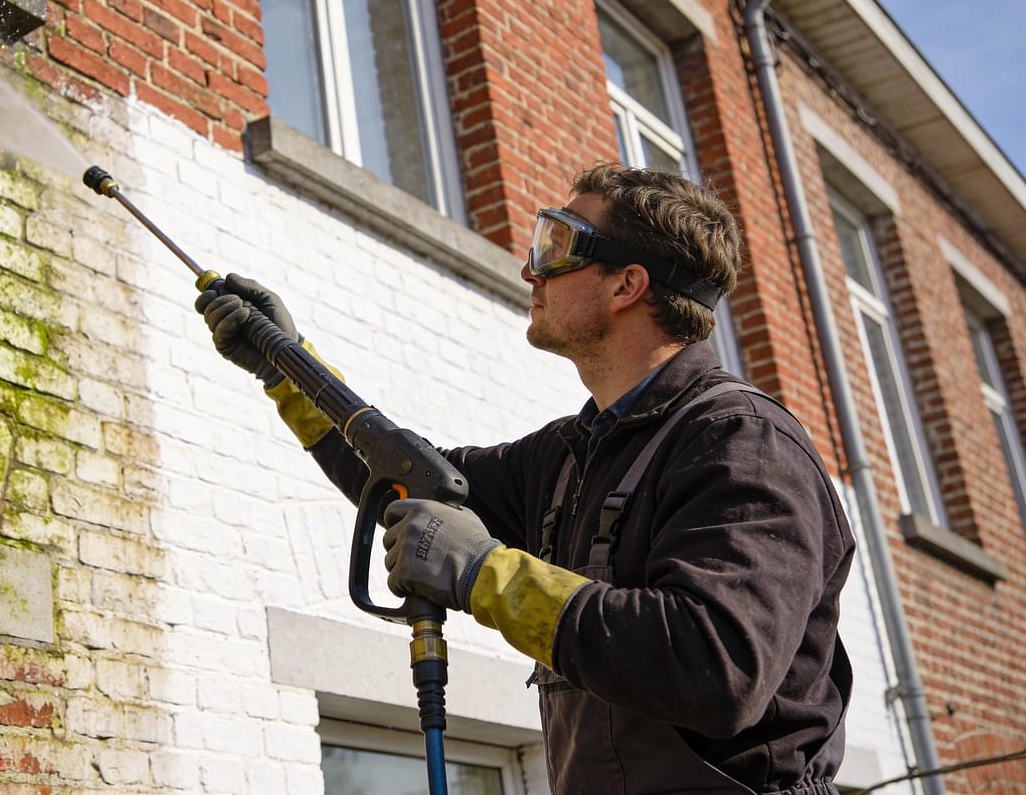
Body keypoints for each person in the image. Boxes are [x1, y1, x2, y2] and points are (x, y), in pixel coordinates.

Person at [196, 163, 854, 794]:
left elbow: (715, 666)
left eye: (558, 243)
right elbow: (408, 482)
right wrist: (289, 368)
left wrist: (485, 575)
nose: (529, 267)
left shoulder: (741, 441)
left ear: (627, 285)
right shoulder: (572, 454)